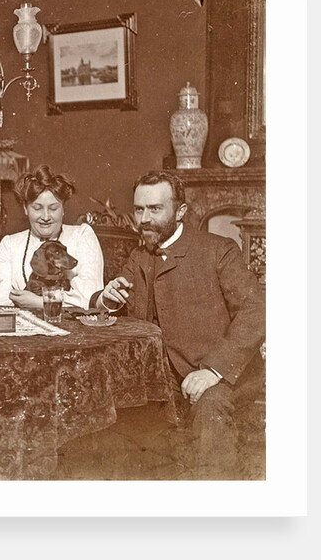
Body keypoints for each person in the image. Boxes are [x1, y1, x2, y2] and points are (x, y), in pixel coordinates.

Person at [94, 170, 265, 479]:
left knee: (210, 408)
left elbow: (256, 310)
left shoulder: (218, 249)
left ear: (181, 210)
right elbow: (117, 304)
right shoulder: (139, 256)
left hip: (222, 376)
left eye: (155, 209)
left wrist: (213, 370)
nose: (144, 219)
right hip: (163, 380)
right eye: (139, 209)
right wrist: (107, 298)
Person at [0, 165, 104, 310]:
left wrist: (40, 303)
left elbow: (91, 297)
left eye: (53, 208)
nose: (46, 217)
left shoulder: (82, 236)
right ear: (25, 208)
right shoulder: (9, 245)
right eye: (37, 208)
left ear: (63, 208)